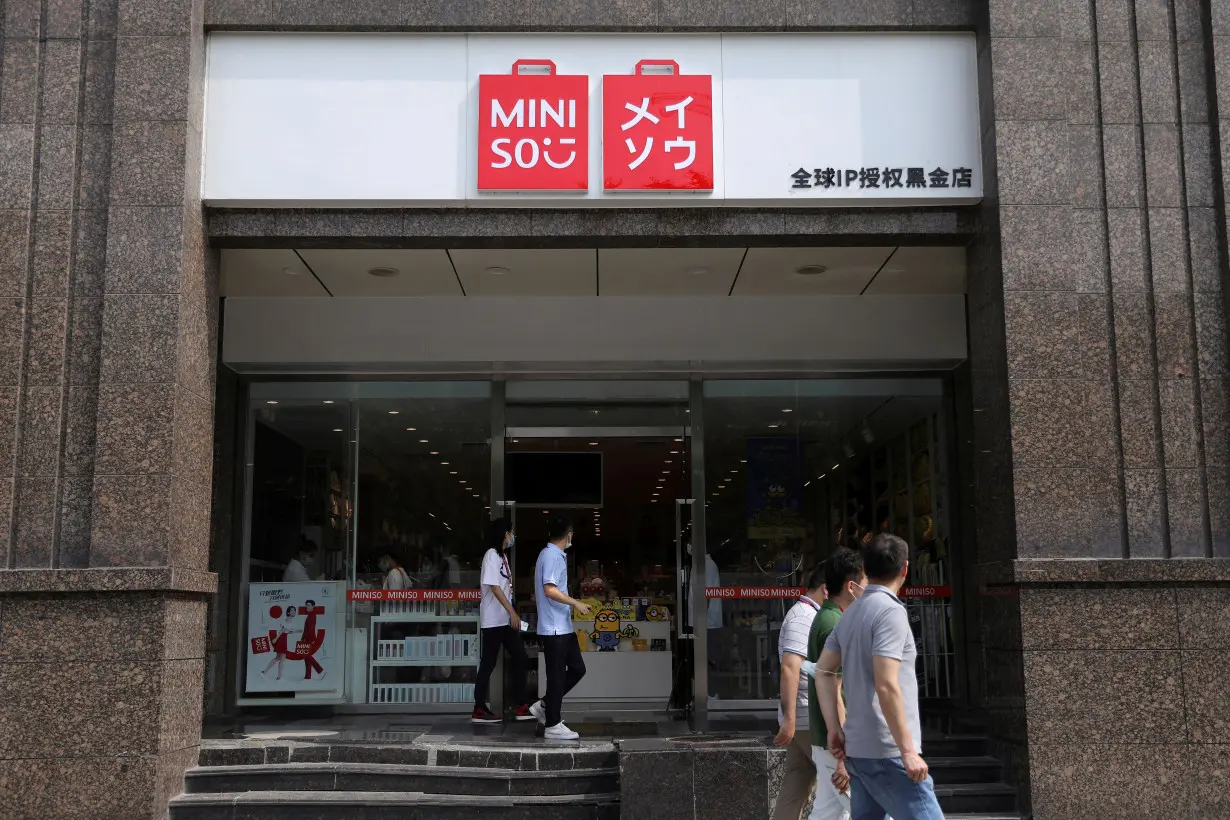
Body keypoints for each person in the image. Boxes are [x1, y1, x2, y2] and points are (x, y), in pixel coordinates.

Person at [815, 534, 943, 820]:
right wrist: (907, 750)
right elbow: (886, 684)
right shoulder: (890, 612)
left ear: (866, 569)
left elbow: (822, 671)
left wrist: (834, 726)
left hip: (858, 748)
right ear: (905, 569)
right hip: (888, 749)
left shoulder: (850, 613)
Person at [804, 549, 867, 820]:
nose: (870, 589)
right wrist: (844, 755)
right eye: (866, 582)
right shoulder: (835, 624)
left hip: (828, 739)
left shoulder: (830, 618)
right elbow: (836, 691)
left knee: (827, 813)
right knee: (869, 811)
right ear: (851, 586)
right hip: (837, 742)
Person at [772, 563, 828, 819]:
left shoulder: (808, 614)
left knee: (798, 780)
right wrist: (791, 721)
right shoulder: (803, 617)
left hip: (805, 717)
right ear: (827, 589)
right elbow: (790, 668)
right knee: (843, 781)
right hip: (808, 716)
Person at [528, 514, 591, 740]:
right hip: (554, 629)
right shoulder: (552, 556)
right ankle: (553, 724)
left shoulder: (550, 554)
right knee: (556, 677)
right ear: (569, 534)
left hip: (562, 626)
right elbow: (549, 590)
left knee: (577, 669)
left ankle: (545, 706)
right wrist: (577, 603)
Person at [473, 518, 534, 724]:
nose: (513, 535)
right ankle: (479, 709)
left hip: (505, 620)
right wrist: (513, 612)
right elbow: (494, 587)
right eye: (511, 532)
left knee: (520, 658)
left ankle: (521, 706)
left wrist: (511, 612)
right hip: (493, 621)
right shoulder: (491, 555)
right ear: (504, 534)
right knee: (488, 664)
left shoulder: (502, 557)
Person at [300, 598, 325, 681]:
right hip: (307, 638)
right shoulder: (310, 614)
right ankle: (307, 676)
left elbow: (310, 629)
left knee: (306, 655)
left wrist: (305, 639)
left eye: (309, 605)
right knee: (306, 656)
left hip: (309, 638)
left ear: (313, 606)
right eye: (306, 605)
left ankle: (320, 670)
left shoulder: (312, 615)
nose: (307, 606)